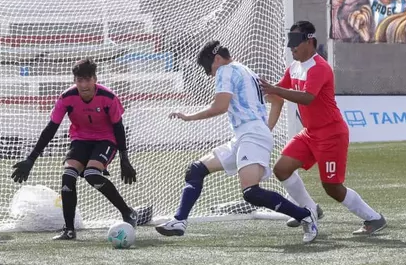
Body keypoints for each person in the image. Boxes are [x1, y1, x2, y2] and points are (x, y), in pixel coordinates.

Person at [155, 41, 318, 242]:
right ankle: (179, 220)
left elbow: (220, 106)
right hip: (245, 136)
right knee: (195, 170)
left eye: (209, 68)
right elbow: (278, 101)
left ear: (217, 59)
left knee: (251, 192)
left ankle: (305, 215)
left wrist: (188, 117)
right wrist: (265, 129)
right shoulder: (247, 71)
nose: (210, 74)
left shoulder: (226, 70)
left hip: (251, 136)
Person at [263, 21, 387, 236]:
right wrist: (252, 90)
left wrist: (275, 90)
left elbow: (307, 98)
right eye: (289, 42)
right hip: (310, 134)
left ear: (309, 41)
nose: (291, 47)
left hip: (331, 135)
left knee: (332, 188)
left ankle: (374, 218)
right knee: (281, 169)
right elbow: (276, 92)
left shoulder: (320, 67)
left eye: (295, 42)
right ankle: (311, 209)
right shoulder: (294, 67)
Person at [11, 58, 150, 240]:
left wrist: (125, 158)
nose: (84, 85)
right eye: (79, 80)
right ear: (74, 80)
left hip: (106, 140)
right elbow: (50, 129)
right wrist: (31, 159)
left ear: (95, 79)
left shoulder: (108, 97)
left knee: (92, 174)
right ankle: (69, 230)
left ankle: (127, 212)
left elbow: (118, 127)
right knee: (68, 176)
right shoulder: (67, 98)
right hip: (80, 139)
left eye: (88, 79)